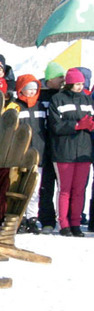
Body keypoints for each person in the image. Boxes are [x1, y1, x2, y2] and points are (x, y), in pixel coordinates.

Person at [47, 67, 93, 237]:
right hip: (64, 150)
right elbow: (55, 126)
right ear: (69, 84)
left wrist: (91, 124)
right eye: (76, 84)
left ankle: (76, 222)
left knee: (80, 189)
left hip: (83, 149)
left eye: (81, 83)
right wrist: (75, 125)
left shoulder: (87, 100)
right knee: (65, 189)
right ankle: (64, 223)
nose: (80, 87)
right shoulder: (57, 99)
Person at [7, 74, 47, 234]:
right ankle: (18, 216)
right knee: (19, 187)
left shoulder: (40, 106)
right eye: (28, 89)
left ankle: (32, 217)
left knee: (34, 188)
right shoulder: (14, 106)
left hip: (39, 153)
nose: (31, 92)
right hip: (20, 154)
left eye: (34, 89)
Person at [38, 61, 66, 233]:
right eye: (59, 77)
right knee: (45, 185)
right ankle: (46, 219)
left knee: (62, 186)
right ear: (50, 78)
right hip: (43, 145)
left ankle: (65, 218)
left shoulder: (64, 95)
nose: (63, 80)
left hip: (60, 146)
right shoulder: (40, 95)